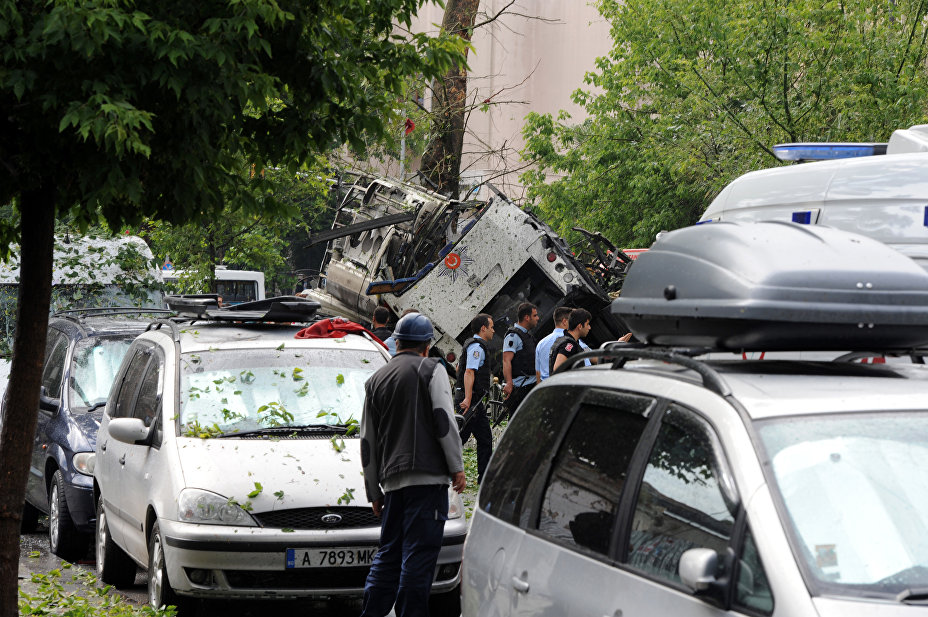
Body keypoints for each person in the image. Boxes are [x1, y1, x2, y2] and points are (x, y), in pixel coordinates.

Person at [359, 313, 466, 617]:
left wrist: (373, 491)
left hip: (392, 484)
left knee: (389, 555)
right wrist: (457, 466)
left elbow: (367, 443)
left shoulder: (375, 380)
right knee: (418, 559)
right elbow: (445, 422)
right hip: (427, 481)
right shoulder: (432, 370)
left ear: (398, 341)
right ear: (427, 345)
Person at [456, 313, 494, 484]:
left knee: (485, 438)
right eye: (491, 327)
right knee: (459, 438)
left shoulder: (472, 344)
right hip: (471, 401)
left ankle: (484, 477)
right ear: (483, 328)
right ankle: (442, 469)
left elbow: (459, 367)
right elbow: (469, 372)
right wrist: (468, 399)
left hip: (474, 401)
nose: (494, 331)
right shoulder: (477, 347)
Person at [502, 302, 540, 419]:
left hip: (531, 385)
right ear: (526, 317)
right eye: (535, 315)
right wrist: (509, 383)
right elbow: (506, 360)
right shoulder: (513, 336)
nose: (538, 318)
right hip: (521, 389)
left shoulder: (527, 335)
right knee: (518, 421)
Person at [550, 308, 592, 375]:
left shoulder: (570, 341)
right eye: (587, 324)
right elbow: (557, 370)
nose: (589, 327)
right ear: (580, 326)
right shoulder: (569, 345)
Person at [535, 306, 572, 381]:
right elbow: (590, 359)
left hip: (549, 387)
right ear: (564, 321)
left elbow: (538, 373)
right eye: (572, 320)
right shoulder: (570, 338)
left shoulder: (540, 344)